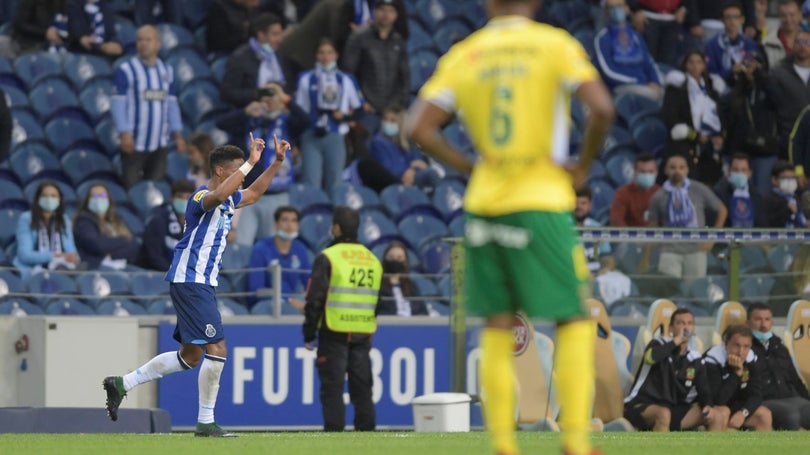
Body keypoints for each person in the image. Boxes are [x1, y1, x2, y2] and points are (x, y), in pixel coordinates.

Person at [406, 0, 616, 453]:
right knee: (575, 317)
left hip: (484, 203)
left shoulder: (465, 53)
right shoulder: (553, 45)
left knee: (497, 326)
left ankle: (503, 444)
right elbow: (601, 108)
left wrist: (469, 166)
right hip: (539, 199)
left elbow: (418, 127)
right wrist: (580, 166)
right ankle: (577, 442)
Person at [103, 133, 291, 437]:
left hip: (200, 281)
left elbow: (254, 194)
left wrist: (275, 163)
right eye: (237, 170)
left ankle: (123, 383)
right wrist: (251, 164)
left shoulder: (230, 197)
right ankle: (205, 422)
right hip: (191, 278)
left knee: (189, 356)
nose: (242, 177)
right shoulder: (200, 196)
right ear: (219, 171)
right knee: (218, 349)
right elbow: (216, 198)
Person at [302, 206, 383, 431]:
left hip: (333, 330)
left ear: (336, 228)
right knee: (362, 388)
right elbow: (378, 301)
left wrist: (308, 333)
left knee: (332, 388)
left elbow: (315, 299)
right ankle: (367, 435)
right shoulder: (372, 259)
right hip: (362, 332)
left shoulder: (328, 257)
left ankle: (334, 435)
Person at [218, 82, 307, 247]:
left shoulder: (287, 122)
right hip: (248, 193)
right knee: (241, 244)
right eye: (265, 94)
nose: (270, 99)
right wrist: (245, 112)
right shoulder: (250, 121)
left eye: (274, 95)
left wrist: (286, 99)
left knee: (273, 246)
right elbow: (221, 124)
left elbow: (306, 121)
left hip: (277, 195)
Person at [624, 308, 723, 431]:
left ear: (693, 329)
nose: (685, 328)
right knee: (663, 414)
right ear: (671, 328)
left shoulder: (695, 358)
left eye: (689, 323)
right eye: (680, 323)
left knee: (717, 415)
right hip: (641, 405)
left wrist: (707, 405)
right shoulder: (658, 344)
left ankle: (713, 451)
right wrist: (676, 341)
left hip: (672, 409)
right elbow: (650, 358)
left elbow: (704, 389)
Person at [111, 25, 185, 189]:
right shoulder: (126, 70)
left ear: (158, 44)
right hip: (134, 141)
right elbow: (118, 103)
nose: (143, 44)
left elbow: (171, 103)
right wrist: (124, 132)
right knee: (132, 188)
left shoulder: (166, 71)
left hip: (160, 142)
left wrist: (177, 133)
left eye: (148, 40)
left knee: (155, 188)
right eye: (139, 40)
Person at [647, 153, 727, 285]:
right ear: (666, 170)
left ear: (687, 170)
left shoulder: (699, 189)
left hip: (696, 250)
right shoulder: (658, 196)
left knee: (694, 292)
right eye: (672, 167)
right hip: (670, 251)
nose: (677, 171)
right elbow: (652, 226)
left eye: (681, 167)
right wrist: (648, 254)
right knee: (670, 291)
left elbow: (722, 210)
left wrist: (712, 238)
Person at [295, 38, 363, 190]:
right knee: (311, 182)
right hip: (310, 134)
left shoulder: (346, 79)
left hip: (336, 134)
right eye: (321, 53)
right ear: (316, 56)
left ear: (336, 55)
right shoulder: (305, 78)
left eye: (329, 53)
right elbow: (298, 110)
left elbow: (359, 110)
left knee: (335, 183)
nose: (326, 57)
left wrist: (344, 117)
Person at [342, 0, 409, 133]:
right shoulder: (359, 37)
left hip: (391, 111)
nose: (386, 14)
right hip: (366, 110)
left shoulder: (398, 41)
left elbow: (404, 77)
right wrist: (359, 102)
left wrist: (400, 106)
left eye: (390, 11)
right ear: (374, 11)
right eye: (382, 9)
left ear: (396, 15)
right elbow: (348, 73)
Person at [661, 50, 726, 186]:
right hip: (684, 146)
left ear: (704, 65)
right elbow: (671, 119)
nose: (695, 66)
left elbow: (720, 117)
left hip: (709, 147)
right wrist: (695, 136)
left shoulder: (711, 88)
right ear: (685, 65)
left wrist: (719, 135)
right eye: (691, 62)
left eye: (699, 62)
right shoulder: (676, 88)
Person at [746, 302, 810, 429]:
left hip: (792, 397)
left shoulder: (779, 347)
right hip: (766, 400)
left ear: (772, 322)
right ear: (747, 323)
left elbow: (795, 380)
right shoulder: (744, 348)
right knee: (791, 415)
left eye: (767, 319)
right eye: (758, 319)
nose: (763, 325)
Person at [352, 105, 441, 193]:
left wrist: (412, 171)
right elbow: (387, 170)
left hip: (412, 177)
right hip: (394, 182)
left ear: (400, 123)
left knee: (431, 173)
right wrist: (408, 170)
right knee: (430, 174)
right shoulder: (377, 143)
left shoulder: (407, 141)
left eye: (392, 121)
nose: (387, 123)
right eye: (385, 119)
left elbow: (419, 162)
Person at [703, 325, 773, 431]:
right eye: (736, 345)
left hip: (735, 405)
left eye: (746, 347)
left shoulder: (751, 358)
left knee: (764, 414)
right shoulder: (712, 359)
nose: (741, 352)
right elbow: (718, 400)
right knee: (723, 412)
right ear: (726, 344)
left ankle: (761, 448)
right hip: (710, 407)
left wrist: (743, 413)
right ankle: (716, 447)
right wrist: (736, 374)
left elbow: (757, 395)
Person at [220, 13, 295, 109]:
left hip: (282, 109)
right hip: (252, 112)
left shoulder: (280, 55)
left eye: (280, 34)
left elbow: (289, 86)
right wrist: (260, 94)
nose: (279, 40)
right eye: (275, 35)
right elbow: (227, 94)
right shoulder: (239, 58)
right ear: (261, 35)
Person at [594, 0, 663, 100]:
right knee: (654, 96)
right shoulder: (602, 38)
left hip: (646, 85)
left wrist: (655, 82)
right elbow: (608, 72)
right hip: (620, 88)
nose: (617, 10)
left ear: (627, 8)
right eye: (612, 7)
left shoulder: (636, 36)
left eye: (620, 6)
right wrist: (640, 83)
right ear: (606, 12)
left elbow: (649, 62)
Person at [13, 180, 79, 279]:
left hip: (60, 270)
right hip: (31, 271)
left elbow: (73, 253)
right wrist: (55, 256)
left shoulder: (64, 220)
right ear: (38, 199)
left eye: (53, 196)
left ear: (60, 200)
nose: (49, 199)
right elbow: (24, 255)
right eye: (45, 196)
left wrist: (73, 258)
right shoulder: (26, 218)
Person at [247, 206, 311, 308]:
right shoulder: (261, 248)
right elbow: (256, 288)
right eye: (285, 220)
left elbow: (308, 280)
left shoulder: (300, 249)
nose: (289, 225)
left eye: (294, 221)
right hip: (266, 304)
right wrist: (289, 300)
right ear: (275, 225)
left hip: (291, 304)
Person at [73, 182, 139, 270]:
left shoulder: (116, 219)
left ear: (109, 199)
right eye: (94, 196)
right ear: (88, 201)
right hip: (97, 267)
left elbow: (133, 245)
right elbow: (98, 245)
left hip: (122, 265)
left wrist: (112, 255)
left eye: (103, 195)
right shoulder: (83, 222)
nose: (99, 199)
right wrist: (122, 239)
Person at [766, 28, 810, 158]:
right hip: (787, 138)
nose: (803, 46)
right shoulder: (778, 73)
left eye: (808, 42)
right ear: (792, 45)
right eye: (799, 41)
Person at [137, 179, 196, 271]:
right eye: (180, 197)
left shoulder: (199, 222)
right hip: (158, 275)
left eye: (188, 197)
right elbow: (155, 258)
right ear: (171, 199)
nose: (184, 201)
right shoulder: (158, 221)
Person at [704, 1, 763, 84]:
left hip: (745, 86)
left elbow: (753, 59)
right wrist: (731, 72)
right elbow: (711, 73)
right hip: (721, 89)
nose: (732, 21)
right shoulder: (712, 45)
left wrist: (751, 66)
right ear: (722, 20)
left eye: (736, 17)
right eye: (728, 17)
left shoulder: (748, 43)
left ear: (741, 19)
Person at [712, 153, 768, 227]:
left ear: (750, 173)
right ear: (729, 171)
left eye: (743, 170)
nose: (739, 173)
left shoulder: (757, 195)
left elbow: (761, 223)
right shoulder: (718, 193)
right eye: (735, 170)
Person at [377, 240, 428, 316]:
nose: (395, 260)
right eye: (391, 257)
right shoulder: (378, 285)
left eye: (399, 258)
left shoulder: (412, 286)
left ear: (405, 261)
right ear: (385, 259)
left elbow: (422, 312)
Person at [610, 152, 660, 227]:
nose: (647, 175)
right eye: (642, 172)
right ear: (635, 172)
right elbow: (616, 222)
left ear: (656, 173)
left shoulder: (660, 192)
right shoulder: (623, 193)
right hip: (630, 237)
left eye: (650, 172)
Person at [574, 186, 613, 275]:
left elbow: (606, 257)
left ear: (590, 206)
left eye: (583, 203)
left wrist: (605, 271)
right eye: (575, 203)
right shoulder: (563, 228)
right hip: (572, 277)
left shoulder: (597, 228)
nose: (578, 207)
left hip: (596, 276)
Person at [761, 159, 806, 227]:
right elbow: (766, 223)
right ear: (774, 180)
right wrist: (787, 211)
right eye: (786, 178)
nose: (790, 182)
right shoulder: (768, 199)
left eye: (793, 178)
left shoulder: (795, 198)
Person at [763, 0, 803, 68]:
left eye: (792, 15)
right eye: (784, 15)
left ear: (800, 15)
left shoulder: (807, 40)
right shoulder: (767, 43)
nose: (788, 20)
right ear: (779, 17)